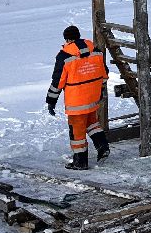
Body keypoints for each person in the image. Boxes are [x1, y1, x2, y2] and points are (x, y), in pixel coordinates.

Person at [46, 24, 110, 169]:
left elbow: (58, 83)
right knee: (92, 123)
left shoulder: (64, 56)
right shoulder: (96, 51)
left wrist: (51, 101)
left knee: (77, 132)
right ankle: (103, 146)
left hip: (76, 102)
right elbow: (104, 75)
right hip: (92, 98)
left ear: (67, 40)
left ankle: (80, 162)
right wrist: (97, 89)